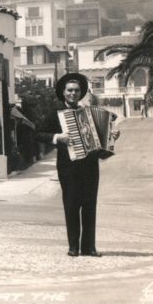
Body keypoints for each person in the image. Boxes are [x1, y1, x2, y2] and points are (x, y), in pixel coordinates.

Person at [36, 73, 119, 258]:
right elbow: (38, 133)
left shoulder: (89, 112)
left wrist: (112, 138)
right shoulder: (55, 114)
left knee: (90, 206)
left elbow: (101, 146)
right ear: (63, 93)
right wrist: (58, 138)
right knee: (71, 206)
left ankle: (89, 247)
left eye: (76, 90)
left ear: (81, 92)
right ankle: (73, 246)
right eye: (69, 90)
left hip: (90, 167)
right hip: (68, 168)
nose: (73, 93)